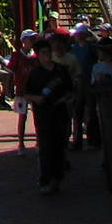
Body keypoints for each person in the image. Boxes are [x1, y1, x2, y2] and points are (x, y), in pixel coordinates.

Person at [25, 35, 74, 194]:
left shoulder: (61, 71)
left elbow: (70, 90)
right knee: (45, 147)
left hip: (60, 112)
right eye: (43, 53)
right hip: (43, 114)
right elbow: (25, 93)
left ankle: (57, 177)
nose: (47, 55)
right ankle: (45, 179)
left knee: (60, 145)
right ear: (38, 55)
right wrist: (36, 98)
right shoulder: (35, 73)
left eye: (48, 52)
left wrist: (65, 99)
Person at [7, 29, 38, 154]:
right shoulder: (16, 56)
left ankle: (38, 141)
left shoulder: (35, 56)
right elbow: (10, 73)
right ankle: (21, 143)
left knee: (37, 116)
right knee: (22, 116)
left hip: (34, 90)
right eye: (31, 38)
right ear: (24, 40)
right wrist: (8, 88)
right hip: (21, 91)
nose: (32, 41)